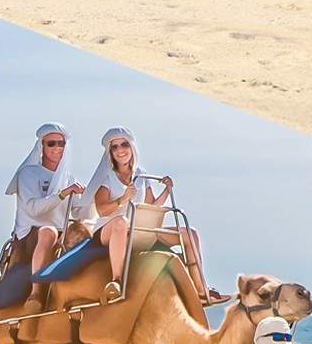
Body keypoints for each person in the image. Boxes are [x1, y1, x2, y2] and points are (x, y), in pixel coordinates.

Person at [84, 127, 214, 303]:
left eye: (124, 145)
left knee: (189, 233)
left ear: (131, 147)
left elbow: (150, 206)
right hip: (111, 230)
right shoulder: (107, 177)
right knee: (121, 222)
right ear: (110, 152)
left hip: (139, 229)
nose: (120, 150)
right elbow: (101, 210)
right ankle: (116, 280)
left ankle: (200, 289)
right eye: (115, 147)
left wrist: (167, 191)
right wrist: (123, 199)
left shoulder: (141, 174)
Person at [5, 123, 85, 307]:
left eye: (61, 144)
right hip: (31, 233)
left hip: (62, 233)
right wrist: (63, 194)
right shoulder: (28, 174)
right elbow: (33, 209)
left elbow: (79, 212)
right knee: (47, 231)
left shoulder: (68, 178)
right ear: (42, 146)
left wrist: (88, 198)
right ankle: (36, 293)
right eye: (51, 144)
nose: (57, 148)